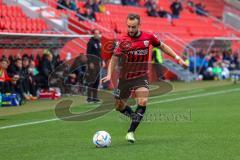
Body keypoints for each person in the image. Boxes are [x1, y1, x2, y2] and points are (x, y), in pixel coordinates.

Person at [101, 14, 188, 143]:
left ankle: (130, 132)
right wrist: (109, 73)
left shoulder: (148, 37)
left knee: (142, 101)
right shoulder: (123, 41)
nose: (130, 29)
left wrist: (177, 58)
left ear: (139, 25)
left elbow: (163, 46)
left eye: (133, 27)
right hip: (125, 78)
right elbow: (114, 57)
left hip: (141, 76)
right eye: (129, 26)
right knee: (119, 106)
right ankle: (134, 117)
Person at [86, 29, 105, 103]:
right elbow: (88, 53)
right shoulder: (90, 42)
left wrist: (102, 61)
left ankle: (95, 97)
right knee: (91, 80)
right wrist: (90, 63)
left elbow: (99, 53)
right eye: (95, 33)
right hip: (93, 63)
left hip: (98, 63)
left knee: (97, 81)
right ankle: (89, 98)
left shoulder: (99, 42)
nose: (97, 35)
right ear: (93, 34)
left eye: (98, 33)